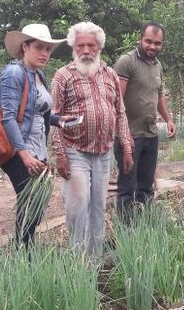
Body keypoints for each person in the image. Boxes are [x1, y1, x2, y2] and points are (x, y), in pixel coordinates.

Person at [51, 21, 133, 260]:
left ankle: (94, 264)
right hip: (75, 151)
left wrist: (126, 146)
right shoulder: (63, 75)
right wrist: (60, 155)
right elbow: (54, 116)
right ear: (73, 48)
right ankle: (77, 264)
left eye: (91, 45)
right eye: (81, 46)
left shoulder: (110, 75)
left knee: (98, 208)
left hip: (104, 152)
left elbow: (120, 112)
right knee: (78, 208)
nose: (86, 51)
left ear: (99, 47)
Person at [0, 23, 67, 246]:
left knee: (37, 206)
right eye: (39, 47)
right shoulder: (14, 73)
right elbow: (8, 117)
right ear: (25, 46)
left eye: (48, 49)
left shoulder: (39, 75)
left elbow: (39, 113)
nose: (44, 53)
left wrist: (59, 120)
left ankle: (25, 251)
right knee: (29, 204)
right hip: (21, 151)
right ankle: (24, 255)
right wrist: (24, 154)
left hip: (38, 149)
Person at [113, 22, 176, 219]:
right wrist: (123, 136)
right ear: (140, 39)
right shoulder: (127, 62)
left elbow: (158, 95)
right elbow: (116, 101)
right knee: (127, 188)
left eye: (157, 43)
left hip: (150, 134)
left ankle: (144, 225)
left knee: (146, 186)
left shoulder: (158, 65)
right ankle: (126, 230)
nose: (152, 47)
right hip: (130, 136)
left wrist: (168, 119)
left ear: (162, 44)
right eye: (148, 41)